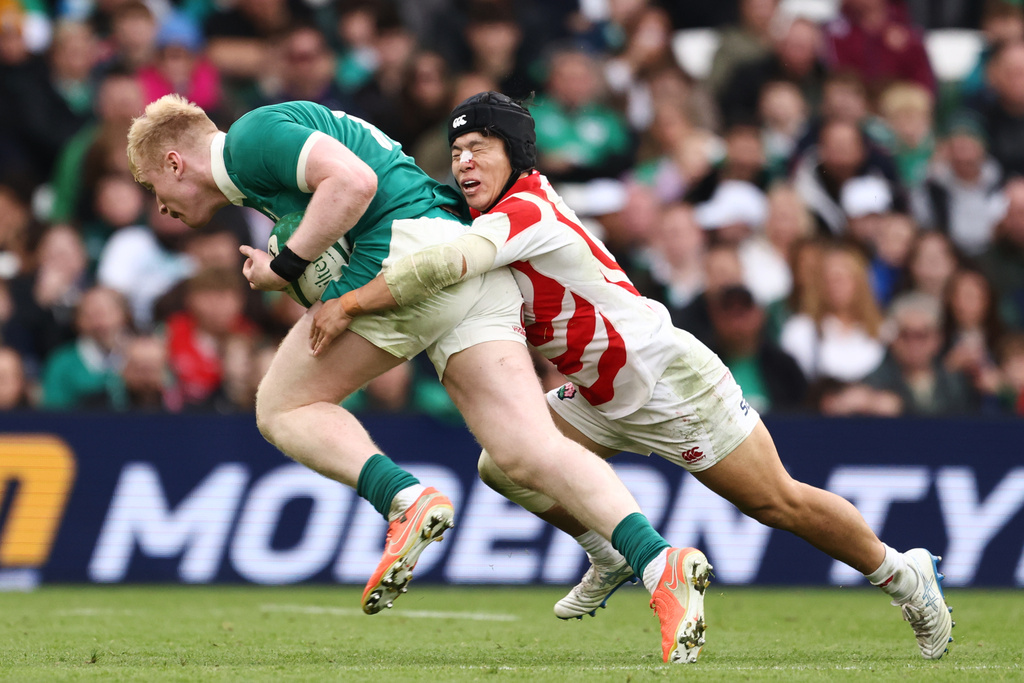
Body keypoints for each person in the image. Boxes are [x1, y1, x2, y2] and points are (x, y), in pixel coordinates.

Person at [310, 92, 955, 661]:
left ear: (516, 155)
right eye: (456, 151)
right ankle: (611, 549)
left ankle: (902, 574)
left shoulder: (528, 210)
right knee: (503, 465)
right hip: (597, 392)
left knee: (776, 503)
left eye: (478, 148)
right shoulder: (485, 211)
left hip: (668, 382)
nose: (463, 163)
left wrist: (348, 302)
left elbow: (446, 263)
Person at [126, 94, 701, 663]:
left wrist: (285, 265)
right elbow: (337, 209)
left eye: (155, 189)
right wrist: (290, 262)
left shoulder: (250, 138)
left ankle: (404, 500)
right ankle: (658, 561)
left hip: (407, 259)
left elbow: (352, 184)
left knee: (281, 407)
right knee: (528, 452)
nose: (161, 207)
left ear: (176, 163)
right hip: (459, 260)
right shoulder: (261, 171)